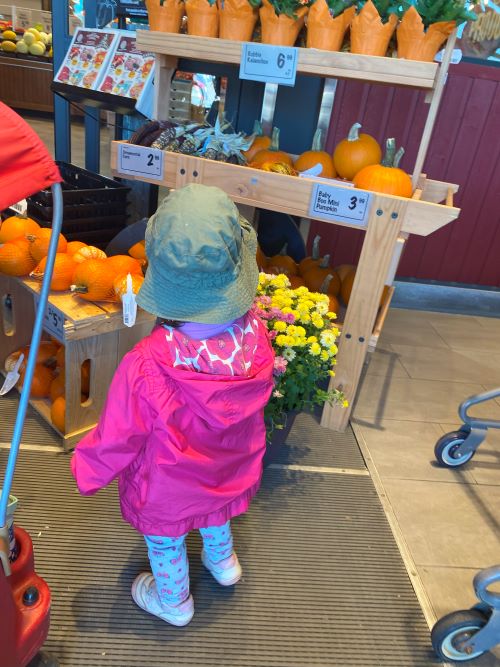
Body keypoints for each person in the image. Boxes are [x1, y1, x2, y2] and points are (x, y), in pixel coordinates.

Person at [71, 184, 275, 627]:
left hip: (168, 482)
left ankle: (174, 602)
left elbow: (119, 433)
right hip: (228, 468)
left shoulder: (148, 364)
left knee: (165, 539)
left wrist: (87, 470)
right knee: (216, 512)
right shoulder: (255, 335)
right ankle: (224, 566)